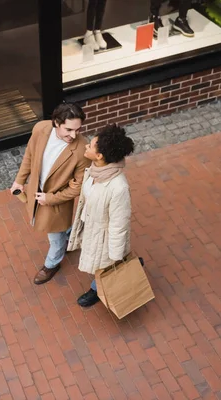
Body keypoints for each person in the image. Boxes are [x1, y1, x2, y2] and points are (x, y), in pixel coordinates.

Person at [10, 103, 91, 285]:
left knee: (55, 237)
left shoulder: (81, 149)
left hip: (56, 201)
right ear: (56, 123)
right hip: (36, 191)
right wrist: (20, 180)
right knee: (55, 230)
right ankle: (71, 236)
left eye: (77, 130)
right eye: (68, 129)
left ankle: (52, 264)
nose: (74, 135)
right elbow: (30, 155)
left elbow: (79, 186)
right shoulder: (41, 129)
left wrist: (51, 199)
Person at [66, 124, 135, 307]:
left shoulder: (118, 187)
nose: (87, 145)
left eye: (91, 145)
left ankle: (96, 290)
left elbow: (119, 225)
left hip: (104, 239)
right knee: (98, 266)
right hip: (92, 229)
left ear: (100, 156)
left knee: (102, 269)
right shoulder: (93, 170)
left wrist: (116, 257)